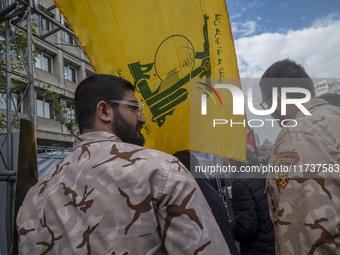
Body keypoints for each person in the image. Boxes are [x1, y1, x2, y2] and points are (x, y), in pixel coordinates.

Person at [16, 74, 230, 254]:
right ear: (104, 111)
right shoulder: (161, 169)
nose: (142, 118)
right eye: (134, 108)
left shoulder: (34, 197)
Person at [260, 59, 340, 254]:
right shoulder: (334, 118)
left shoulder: (296, 136)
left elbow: (312, 238)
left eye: (265, 103)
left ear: (277, 98)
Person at [231, 148, 275, 255]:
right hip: (274, 240)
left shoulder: (240, 183)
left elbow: (246, 228)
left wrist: (230, 228)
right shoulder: (267, 170)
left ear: (234, 163)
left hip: (258, 247)